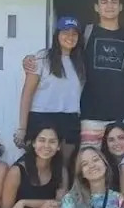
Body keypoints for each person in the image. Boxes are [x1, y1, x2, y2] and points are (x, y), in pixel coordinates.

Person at [23, 0, 124, 148]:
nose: (109, 6)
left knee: (122, 160)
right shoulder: (86, 33)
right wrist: (32, 59)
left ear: (121, 6)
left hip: (122, 116)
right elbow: (64, 52)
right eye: (104, 2)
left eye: (114, 2)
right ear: (96, 7)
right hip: (90, 116)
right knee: (89, 160)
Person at [14, 17, 85, 162]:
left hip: (70, 119)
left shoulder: (81, 62)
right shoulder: (42, 58)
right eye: (65, 32)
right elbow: (27, 94)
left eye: (74, 34)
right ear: (57, 35)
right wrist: (22, 128)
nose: (70, 37)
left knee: (65, 165)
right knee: (38, 163)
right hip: (41, 117)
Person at [100, 121, 124, 188]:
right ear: (106, 144)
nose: (117, 143)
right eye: (111, 140)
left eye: (121, 138)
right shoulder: (102, 167)